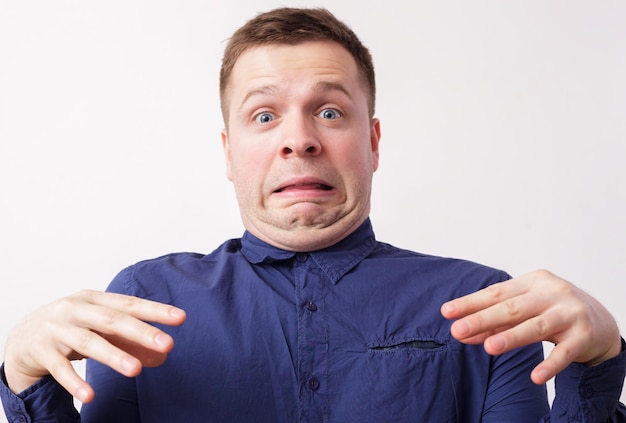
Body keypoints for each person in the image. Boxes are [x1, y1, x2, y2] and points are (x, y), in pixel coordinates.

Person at [1, 7, 625, 422]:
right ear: (228, 151)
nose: (298, 140)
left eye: (329, 111)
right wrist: (25, 376)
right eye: (264, 116)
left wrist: (595, 368)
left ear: (374, 141)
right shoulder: (143, 299)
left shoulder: (489, 304)